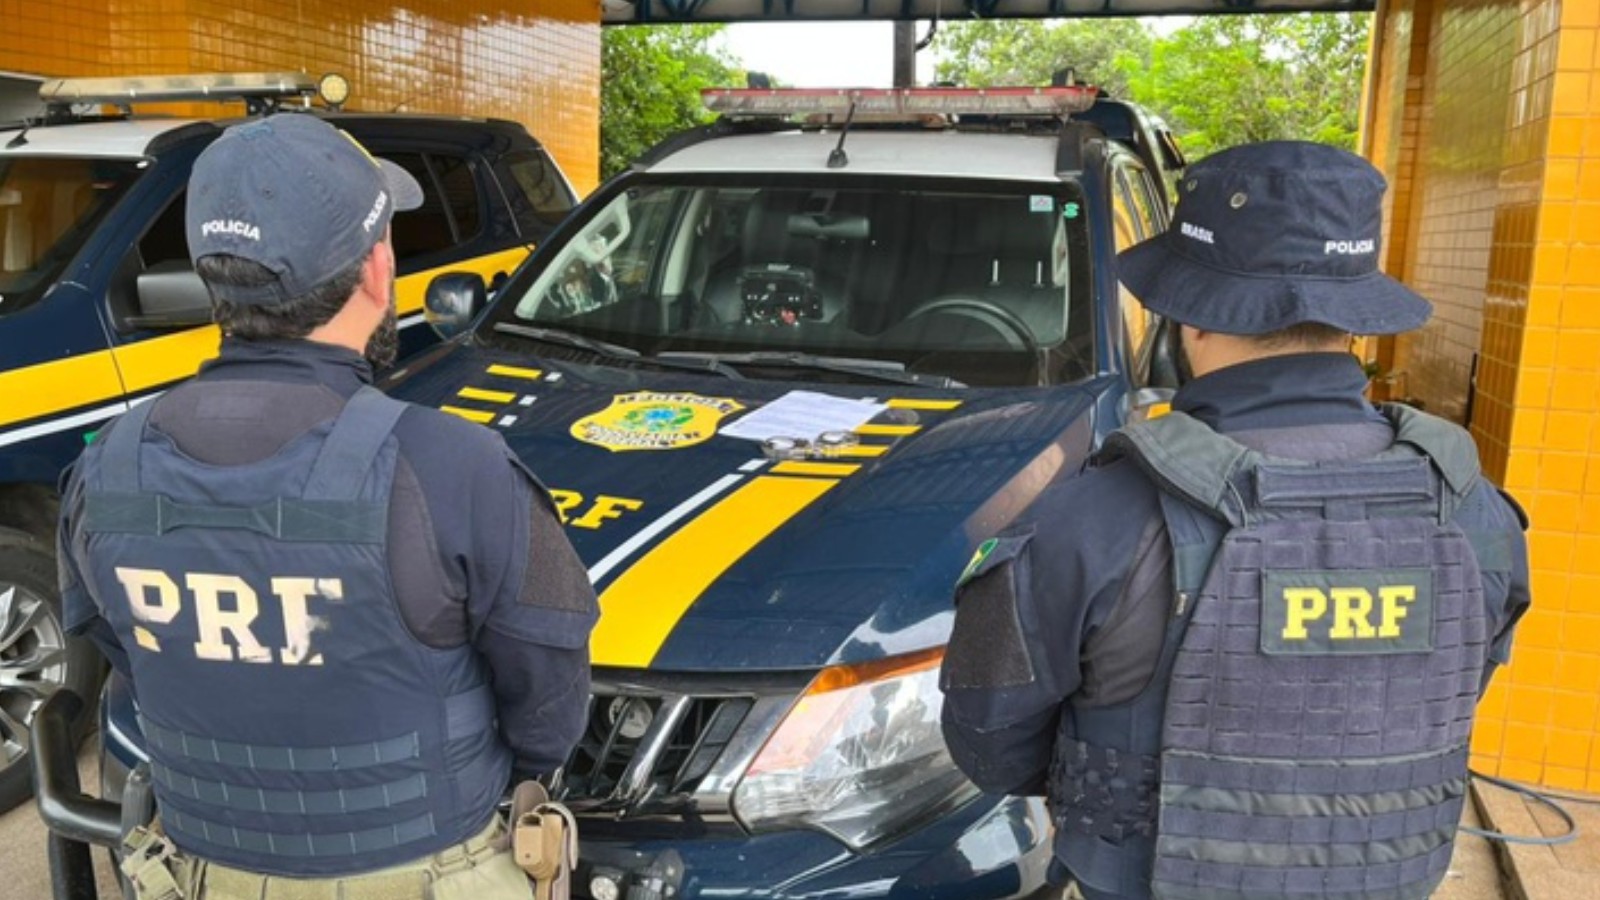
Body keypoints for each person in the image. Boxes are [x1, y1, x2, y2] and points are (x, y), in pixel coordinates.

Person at [939, 141, 1530, 900]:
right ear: (1354, 322)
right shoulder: (1474, 510)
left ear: (1188, 317)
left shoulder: (1095, 516)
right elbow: (1455, 683)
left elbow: (990, 744)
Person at [56, 113, 598, 899]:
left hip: (200, 873)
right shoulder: (453, 466)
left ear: (216, 279)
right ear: (378, 270)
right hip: (430, 872)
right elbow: (549, 704)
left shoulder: (107, 467)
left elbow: (125, 653)